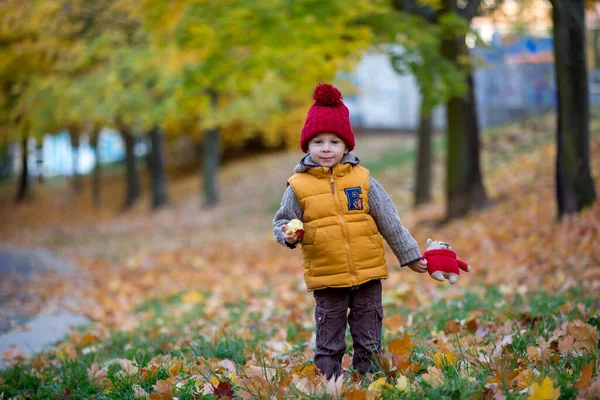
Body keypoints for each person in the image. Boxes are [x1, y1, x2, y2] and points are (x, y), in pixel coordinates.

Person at [272, 83, 428, 379]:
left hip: (368, 275)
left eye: (333, 141)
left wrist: (410, 256)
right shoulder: (298, 186)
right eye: (318, 142)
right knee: (329, 340)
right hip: (327, 278)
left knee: (368, 337)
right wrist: (288, 234)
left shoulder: (363, 180)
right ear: (308, 146)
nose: (326, 148)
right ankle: (327, 382)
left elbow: (390, 222)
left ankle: (367, 382)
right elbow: (282, 222)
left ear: (346, 145)